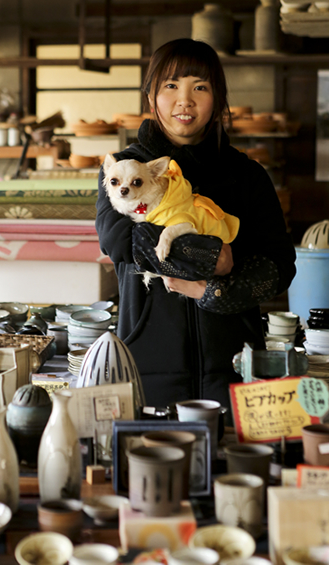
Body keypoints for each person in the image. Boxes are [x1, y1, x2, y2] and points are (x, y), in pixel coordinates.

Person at [95, 38, 297, 412]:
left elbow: (280, 265)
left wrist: (212, 291)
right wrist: (214, 256)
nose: (184, 101)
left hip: (235, 367)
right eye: (170, 86)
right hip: (147, 364)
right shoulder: (123, 169)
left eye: (199, 87)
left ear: (218, 99)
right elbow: (122, 241)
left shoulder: (247, 176)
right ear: (151, 95)